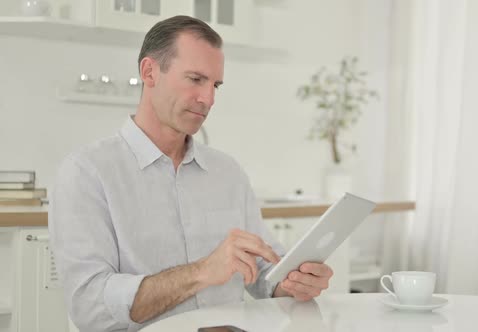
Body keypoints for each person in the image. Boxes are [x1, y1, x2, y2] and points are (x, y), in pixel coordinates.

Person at [49, 15, 333, 332]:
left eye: (215, 85)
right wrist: (202, 272)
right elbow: (90, 307)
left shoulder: (228, 173)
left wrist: (292, 282)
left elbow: (264, 269)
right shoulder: (86, 173)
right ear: (149, 72)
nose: (208, 99)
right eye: (196, 79)